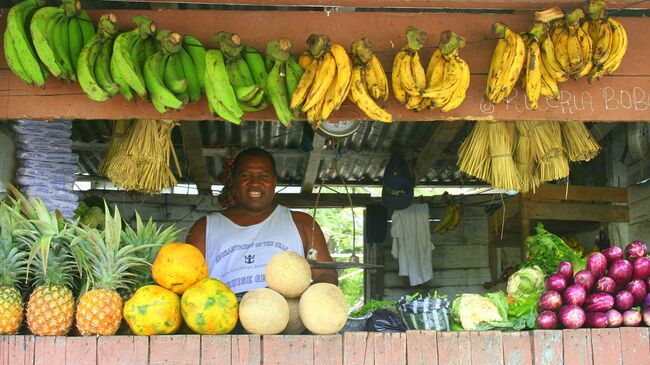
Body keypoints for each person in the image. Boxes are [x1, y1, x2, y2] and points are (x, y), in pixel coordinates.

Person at [186, 147, 338, 296]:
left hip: (286, 318)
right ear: (233, 181)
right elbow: (187, 284)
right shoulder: (204, 228)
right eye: (245, 176)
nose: (255, 183)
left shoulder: (302, 223)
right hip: (223, 317)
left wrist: (304, 297)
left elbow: (326, 274)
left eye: (263, 176)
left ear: (274, 181)